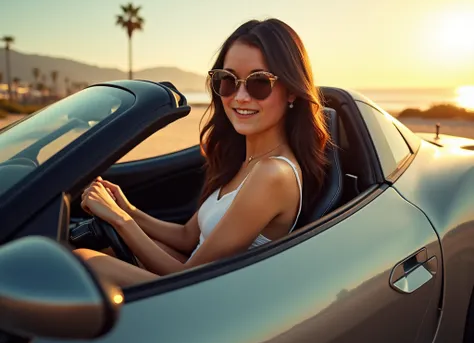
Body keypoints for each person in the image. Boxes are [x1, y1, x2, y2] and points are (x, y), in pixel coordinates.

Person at [74, 18, 330, 287]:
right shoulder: (245, 161)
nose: (240, 97)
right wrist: (128, 209)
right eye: (228, 80)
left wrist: (119, 219)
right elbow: (188, 237)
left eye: (259, 83)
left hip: (204, 301)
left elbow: (190, 277)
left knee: (83, 261)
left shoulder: (274, 174)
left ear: (291, 92)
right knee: (98, 254)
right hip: (191, 286)